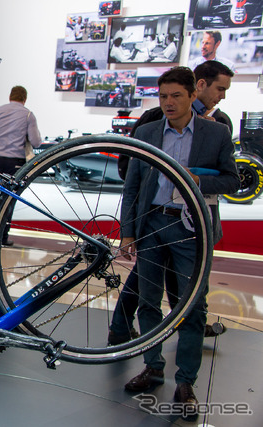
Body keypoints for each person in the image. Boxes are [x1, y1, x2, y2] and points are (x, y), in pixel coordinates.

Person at [120, 66, 238, 421]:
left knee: (193, 306)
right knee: (148, 301)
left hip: (192, 228)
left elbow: (232, 180)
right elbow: (132, 185)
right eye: (163, 96)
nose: (168, 103)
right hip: (152, 224)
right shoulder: (147, 132)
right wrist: (128, 231)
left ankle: (186, 382)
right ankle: (153, 367)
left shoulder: (216, 133)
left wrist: (197, 182)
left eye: (175, 96)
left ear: (192, 95)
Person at [0, 86, 42, 245]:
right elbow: (36, 142)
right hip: (15, 164)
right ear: (24, 99)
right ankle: (1, 237)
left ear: (10, 96)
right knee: (8, 200)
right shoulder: (28, 115)